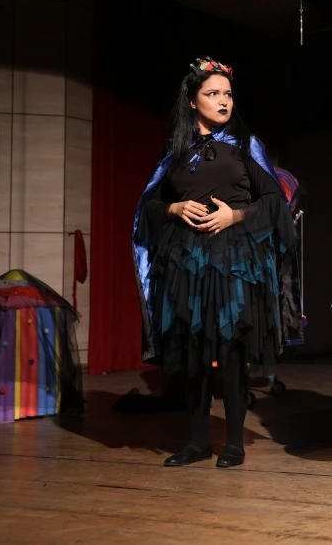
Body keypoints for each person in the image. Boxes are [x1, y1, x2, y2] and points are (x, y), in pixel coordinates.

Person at [132, 58, 302, 468]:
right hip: (185, 262)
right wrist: (173, 208)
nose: (223, 101)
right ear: (192, 101)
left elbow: (274, 202)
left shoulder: (245, 145)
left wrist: (235, 215)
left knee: (231, 350)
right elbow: (149, 206)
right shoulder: (175, 149)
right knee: (193, 352)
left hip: (236, 259)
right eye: (212, 94)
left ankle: (234, 443)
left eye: (227, 94)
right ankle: (196, 441)